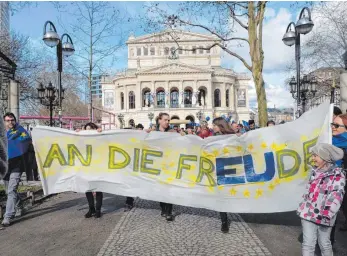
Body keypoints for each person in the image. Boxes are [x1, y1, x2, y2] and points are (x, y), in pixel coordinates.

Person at [297, 143, 345, 256]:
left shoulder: (337, 175)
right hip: (308, 213)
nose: (313, 158)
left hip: (325, 216)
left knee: (324, 243)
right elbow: (308, 191)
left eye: (315, 155)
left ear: (325, 158)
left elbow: (336, 195)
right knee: (308, 244)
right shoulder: (313, 171)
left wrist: (328, 213)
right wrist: (303, 204)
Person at [2, 112, 31, 226]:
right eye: (8, 120)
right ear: (4, 122)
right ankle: (20, 206)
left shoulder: (20, 131)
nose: (10, 122)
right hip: (4, 166)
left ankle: (7, 216)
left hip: (17, 165)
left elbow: (26, 139)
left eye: (12, 120)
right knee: (8, 190)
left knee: (11, 189)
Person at [212, 117, 235, 233]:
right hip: (219, 169)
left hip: (231, 168)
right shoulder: (213, 138)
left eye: (214, 125)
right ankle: (224, 221)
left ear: (220, 126)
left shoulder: (232, 137)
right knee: (221, 196)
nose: (213, 127)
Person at [152, 113, 174, 221]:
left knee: (169, 189)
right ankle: (163, 208)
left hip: (169, 166)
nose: (167, 122)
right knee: (160, 189)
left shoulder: (172, 133)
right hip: (157, 166)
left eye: (168, 120)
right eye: (165, 120)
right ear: (159, 120)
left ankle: (169, 211)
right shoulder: (153, 133)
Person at [80, 122, 103, 218]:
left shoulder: (99, 137)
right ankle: (91, 209)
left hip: (97, 166)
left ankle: (98, 210)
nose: (88, 131)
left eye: (90, 129)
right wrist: (77, 133)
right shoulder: (82, 139)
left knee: (98, 188)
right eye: (86, 129)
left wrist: (101, 133)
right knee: (87, 188)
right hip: (86, 167)